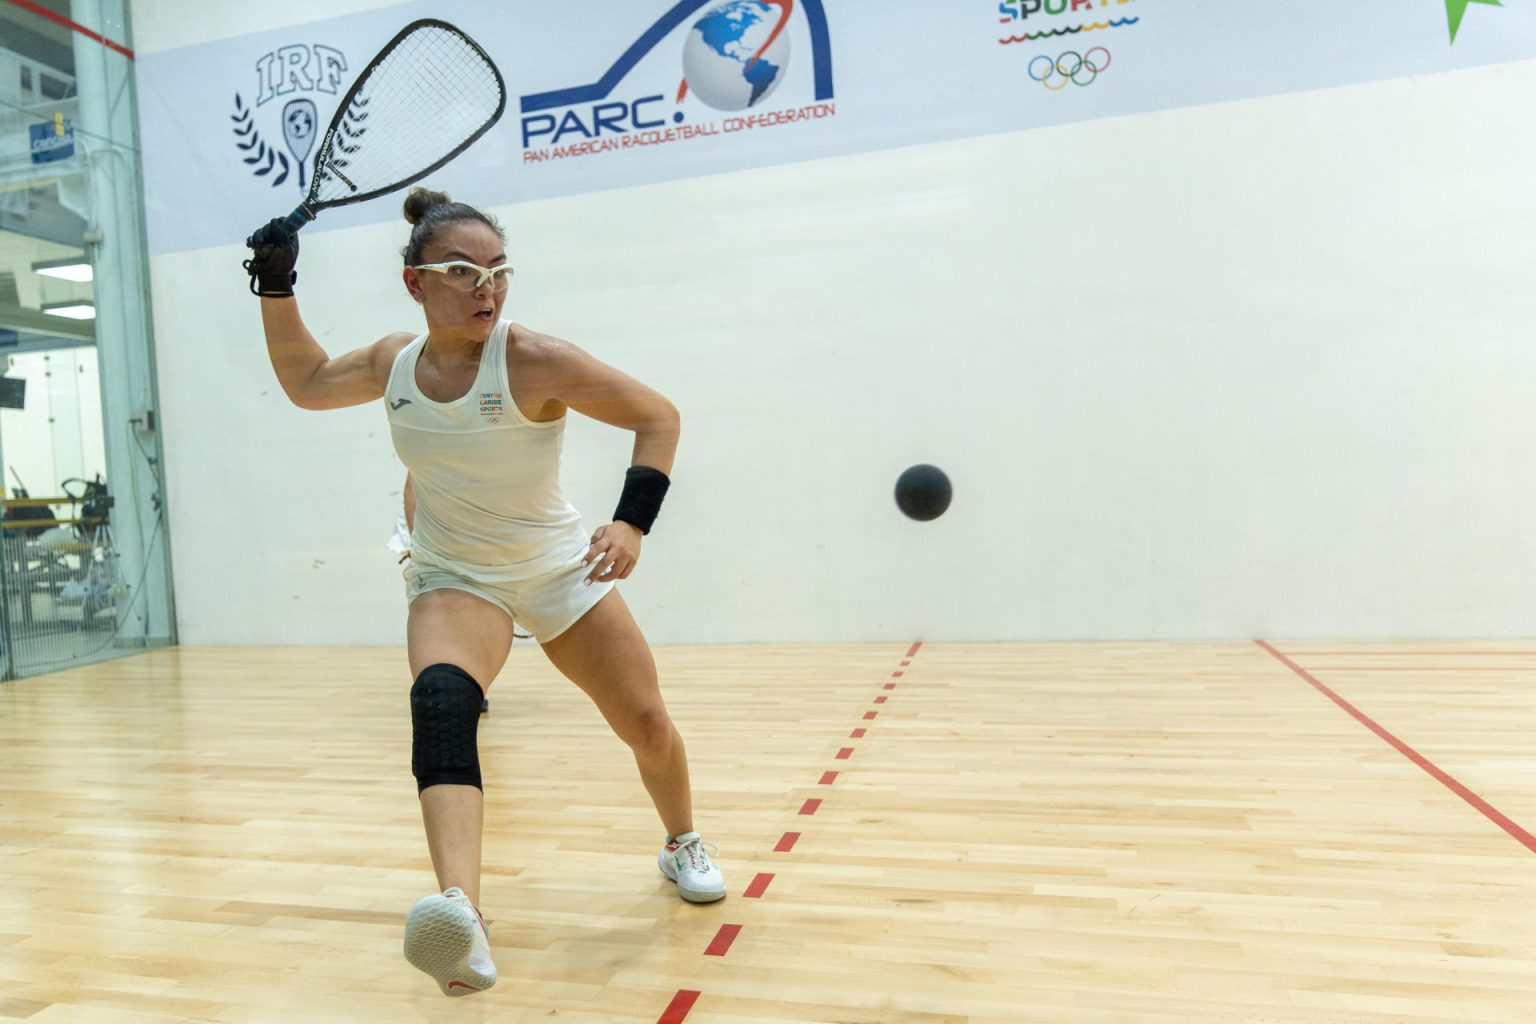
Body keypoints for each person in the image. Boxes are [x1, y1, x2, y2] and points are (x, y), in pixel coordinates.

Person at [244, 189, 724, 999]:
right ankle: (462, 916)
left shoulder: (532, 358)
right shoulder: (394, 362)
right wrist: (277, 287)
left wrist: (631, 525)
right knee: (441, 702)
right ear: (415, 282)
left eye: (498, 272)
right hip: (453, 574)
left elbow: (658, 416)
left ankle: (681, 841)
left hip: (555, 568)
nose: (486, 289)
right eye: (463, 272)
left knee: (646, 723)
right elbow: (308, 382)